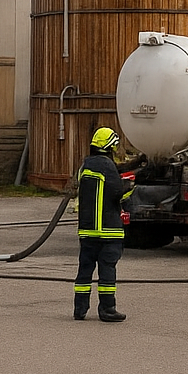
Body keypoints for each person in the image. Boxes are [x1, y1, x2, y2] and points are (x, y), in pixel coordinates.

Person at [73, 126, 134, 322]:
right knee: (107, 271)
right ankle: (107, 309)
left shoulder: (85, 166)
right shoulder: (108, 167)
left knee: (84, 270)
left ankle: (79, 309)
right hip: (108, 232)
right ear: (109, 147)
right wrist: (130, 188)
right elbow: (117, 194)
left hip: (87, 231)